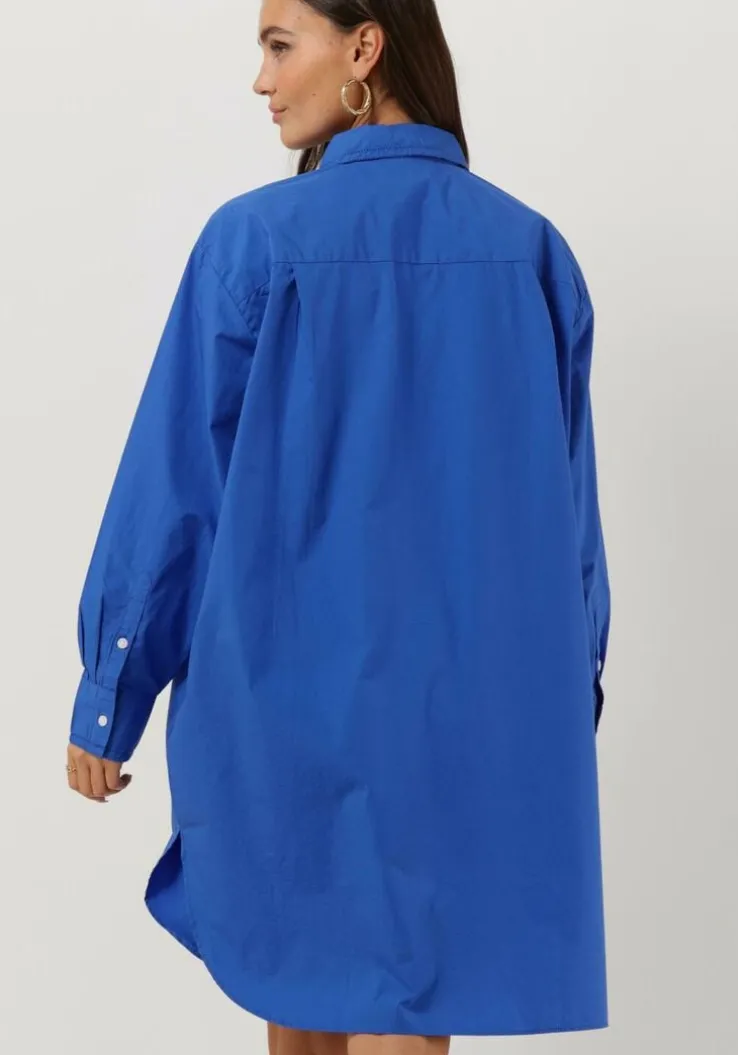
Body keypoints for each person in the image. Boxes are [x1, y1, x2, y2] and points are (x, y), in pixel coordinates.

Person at [65, 1, 611, 1052]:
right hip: (472, 711)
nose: (261, 81)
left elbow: (175, 487)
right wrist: (565, 694)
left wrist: (111, 688)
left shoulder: (255, 242)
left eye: (280, 46)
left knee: (305, 988)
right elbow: (570, 516)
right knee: (416, 1012)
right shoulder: (532, 251)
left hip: (283, 703)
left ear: (365, 47)